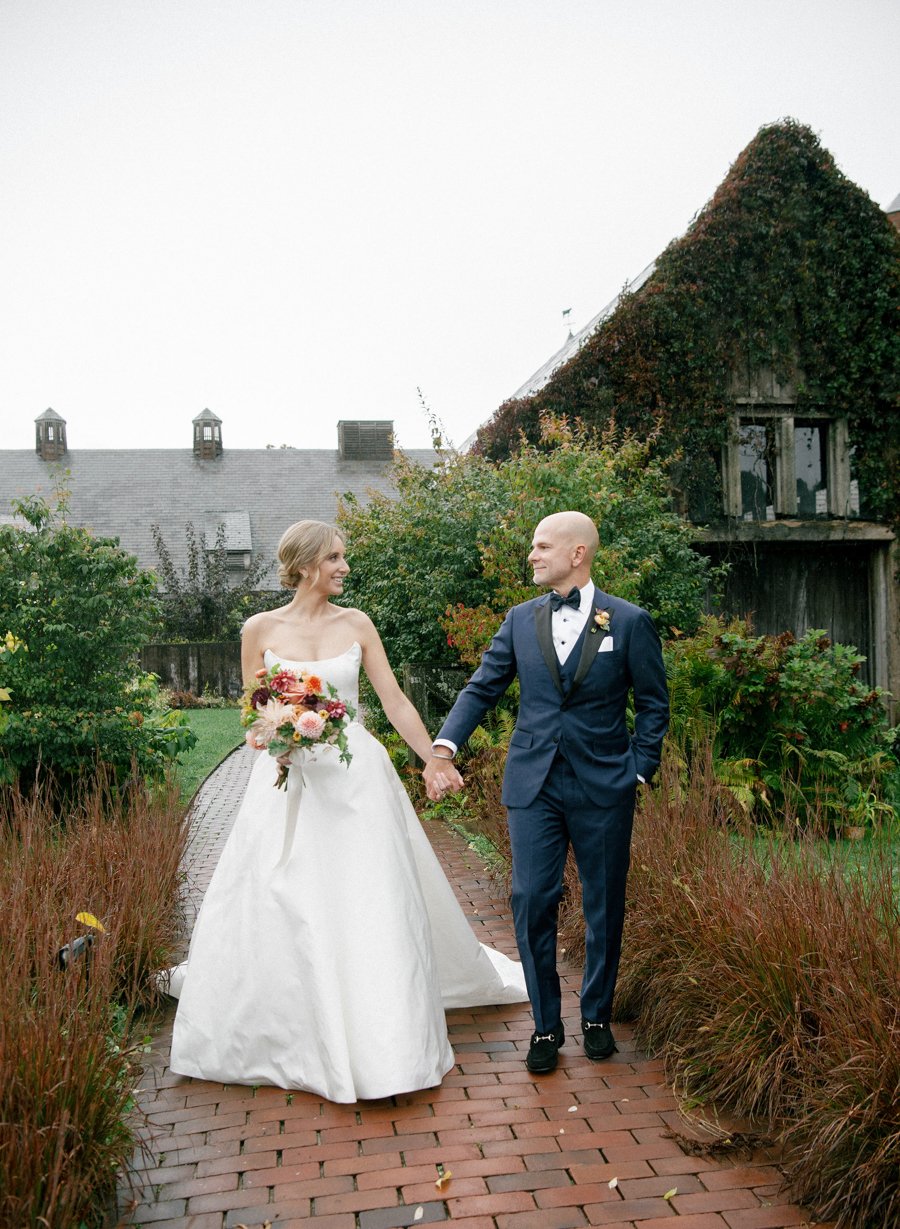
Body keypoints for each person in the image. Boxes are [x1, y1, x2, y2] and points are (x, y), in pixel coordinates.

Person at [168, 520, 526, 1103]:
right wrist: (279, 737)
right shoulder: (259, 628)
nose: (344, 567)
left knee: (367, 893)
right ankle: (294, 1023)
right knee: (287, 890)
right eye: (335, 558)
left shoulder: (357, 624)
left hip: (356, 776)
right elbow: (254, 708)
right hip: (286, 778)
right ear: (307, 564)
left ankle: (382, 1027)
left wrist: (433, 758)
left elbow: (393, 699)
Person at [423, 511, 669, 1075]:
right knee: (532, 898)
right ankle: (545, 1025)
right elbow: (482, 687)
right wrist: (444, 749)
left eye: (541, 546)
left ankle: (596, 1017)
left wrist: (639, 769)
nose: (531, 555)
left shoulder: (629, 622)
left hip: (604, 784)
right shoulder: (518, 620)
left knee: (605, 904)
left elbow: (653, 705)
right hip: (533, 785)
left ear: (577, 553)